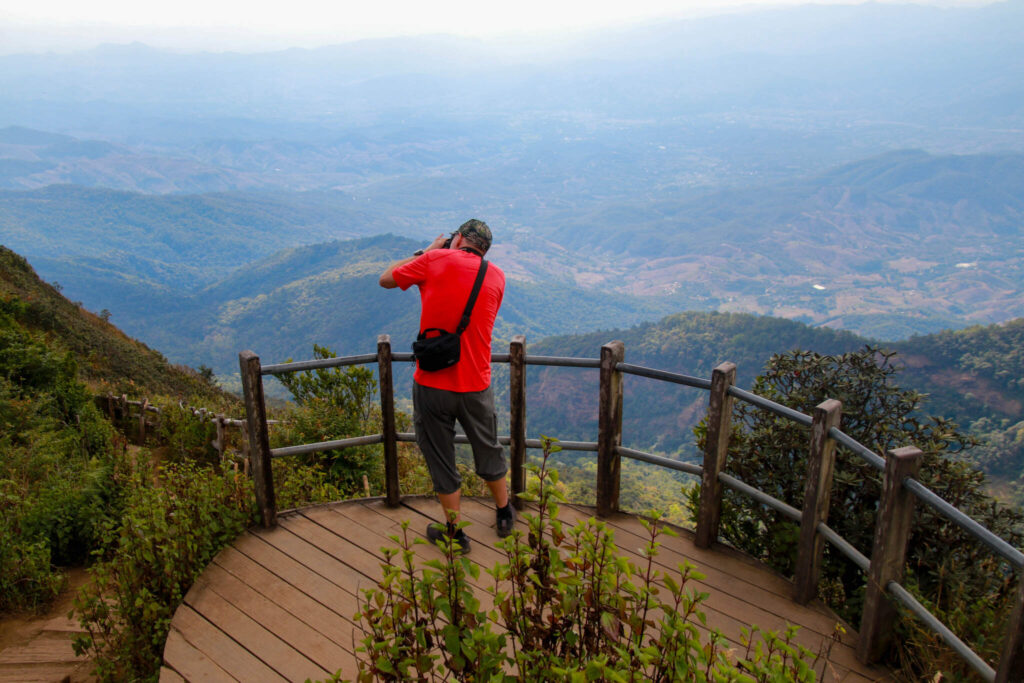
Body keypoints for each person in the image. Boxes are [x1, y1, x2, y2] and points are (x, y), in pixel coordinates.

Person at [379, 219, 514, 554]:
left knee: (441, 456)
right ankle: (504, 512)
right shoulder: (496, 275)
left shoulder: (434, 259)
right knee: (488, 446)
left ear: (458, 239)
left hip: (433, 383)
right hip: (476, 382)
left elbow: (385, 279)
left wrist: (427, 251)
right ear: (484, 249)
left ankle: (456, 533)